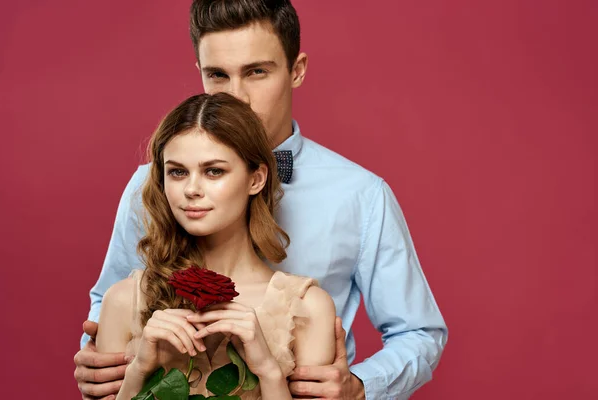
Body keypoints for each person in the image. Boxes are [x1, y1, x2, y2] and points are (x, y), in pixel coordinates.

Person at [74, 1, 448, 399]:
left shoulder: (361, 195)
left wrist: (361, 387)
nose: (237, 96)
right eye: (218, 75)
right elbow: (115, 296)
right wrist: (98, 361)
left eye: (256, 72)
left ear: (297, 70)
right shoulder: (153, 182)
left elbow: (419, 332)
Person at [95, 92, 336, 399]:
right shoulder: (123, 300)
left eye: (214, 171)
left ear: (256, 179)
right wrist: (139, 369)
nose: (192, 190)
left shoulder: (307, 308)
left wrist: (268, 371)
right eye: (178, 172)